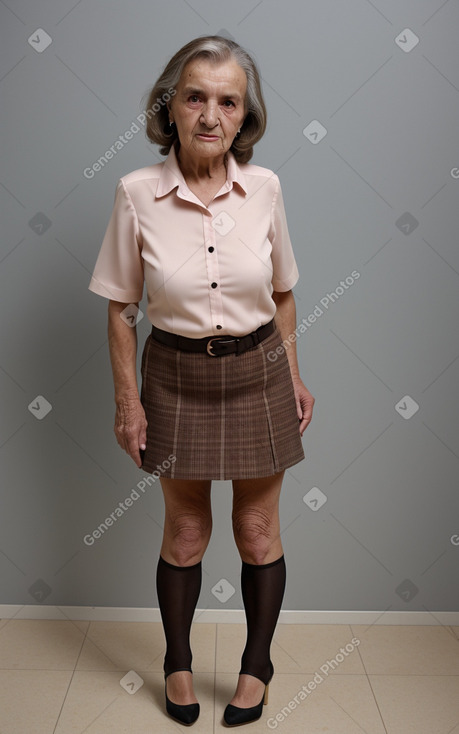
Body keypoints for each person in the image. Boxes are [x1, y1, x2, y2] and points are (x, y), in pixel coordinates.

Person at [88, 35, 314, 727]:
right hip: (176, 376)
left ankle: (256, 666)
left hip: (259, 373)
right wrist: (128, 402)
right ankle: (177, 662)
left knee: (255, 530)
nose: (211, 114)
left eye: (228, 101)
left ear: (245, 115)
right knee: (185, 533)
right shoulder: (135, 193)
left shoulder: (266, 187)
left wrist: (296, 377)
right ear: (170, 107)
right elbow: (121, 311)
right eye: (195, 97)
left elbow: (281, 294)